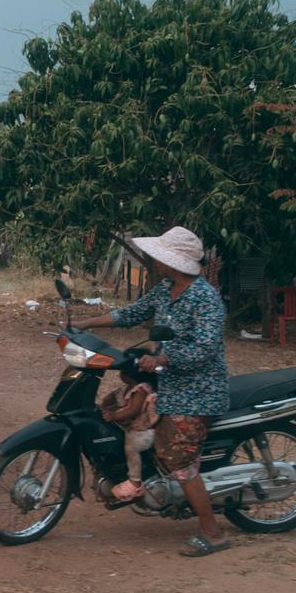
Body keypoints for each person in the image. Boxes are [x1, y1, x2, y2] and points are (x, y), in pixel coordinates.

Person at [80, 226, 232, 557]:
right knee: (118, 407)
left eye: (161, 255)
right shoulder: (166, 289)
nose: (156, 260)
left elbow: (204, 349)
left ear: (174, 261)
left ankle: (213, 533)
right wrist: (88, 324)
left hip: (198, 390)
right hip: (170, 381)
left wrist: (162, 357)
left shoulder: (206, 299)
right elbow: (131, 313)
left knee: (178, 456)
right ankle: (138, 480)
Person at [99, 364, 158, 503]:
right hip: (130, 428)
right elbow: (111, 400)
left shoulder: (141, 389)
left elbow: (133, 410)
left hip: (142, 430)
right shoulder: (126, 389)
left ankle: (135, 482)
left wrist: (114, 415)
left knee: (131, 447)